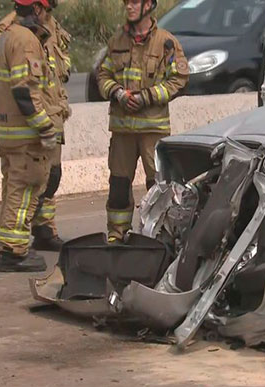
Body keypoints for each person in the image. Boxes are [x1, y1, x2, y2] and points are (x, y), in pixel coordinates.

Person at [0, 0, 72, 252]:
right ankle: (15, 245)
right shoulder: (17, 30)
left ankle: (44, 229)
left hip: (53, 112)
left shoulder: (50, 27)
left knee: (50, 177)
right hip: (34, 119)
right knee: (28, 181)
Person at [97, 0, 189, 244]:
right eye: (126, 3)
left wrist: (147, 97)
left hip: (153, 130)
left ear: (149, 5)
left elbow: (179, 78)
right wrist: (117, 92)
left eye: (135, 2)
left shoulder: (166, 43)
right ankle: (117, 237)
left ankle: (158, 238)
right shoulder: (117, 40)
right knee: (118, 185)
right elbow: (103, 75)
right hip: (122, 130)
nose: (129, 7)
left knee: (158, 187)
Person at [0, 0, 59, 271]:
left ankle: (10, 247)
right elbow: (25, 92)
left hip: (10, 134)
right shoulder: (27, 40)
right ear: (36, 9)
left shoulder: (6, 36)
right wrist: (45, 127)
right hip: (26, 137)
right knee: (24, 193)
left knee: (13, 192)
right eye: (45, 10)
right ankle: (13, 252)